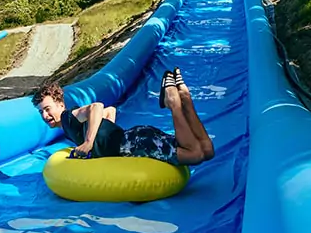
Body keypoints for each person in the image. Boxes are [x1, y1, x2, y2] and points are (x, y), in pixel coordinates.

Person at [31, 67, 214, 166]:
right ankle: (185, 98)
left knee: (196, 154)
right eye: (41, 112)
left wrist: (88, 142)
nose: (45, 115)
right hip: (138, 136)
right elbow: (110, 110)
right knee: (207, 151)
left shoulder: (68, 118)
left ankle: (173, 102)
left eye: (47, 109)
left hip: (136, 144)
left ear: (61, 104)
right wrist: (101, 137)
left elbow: (96, 106)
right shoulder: (73, 123)